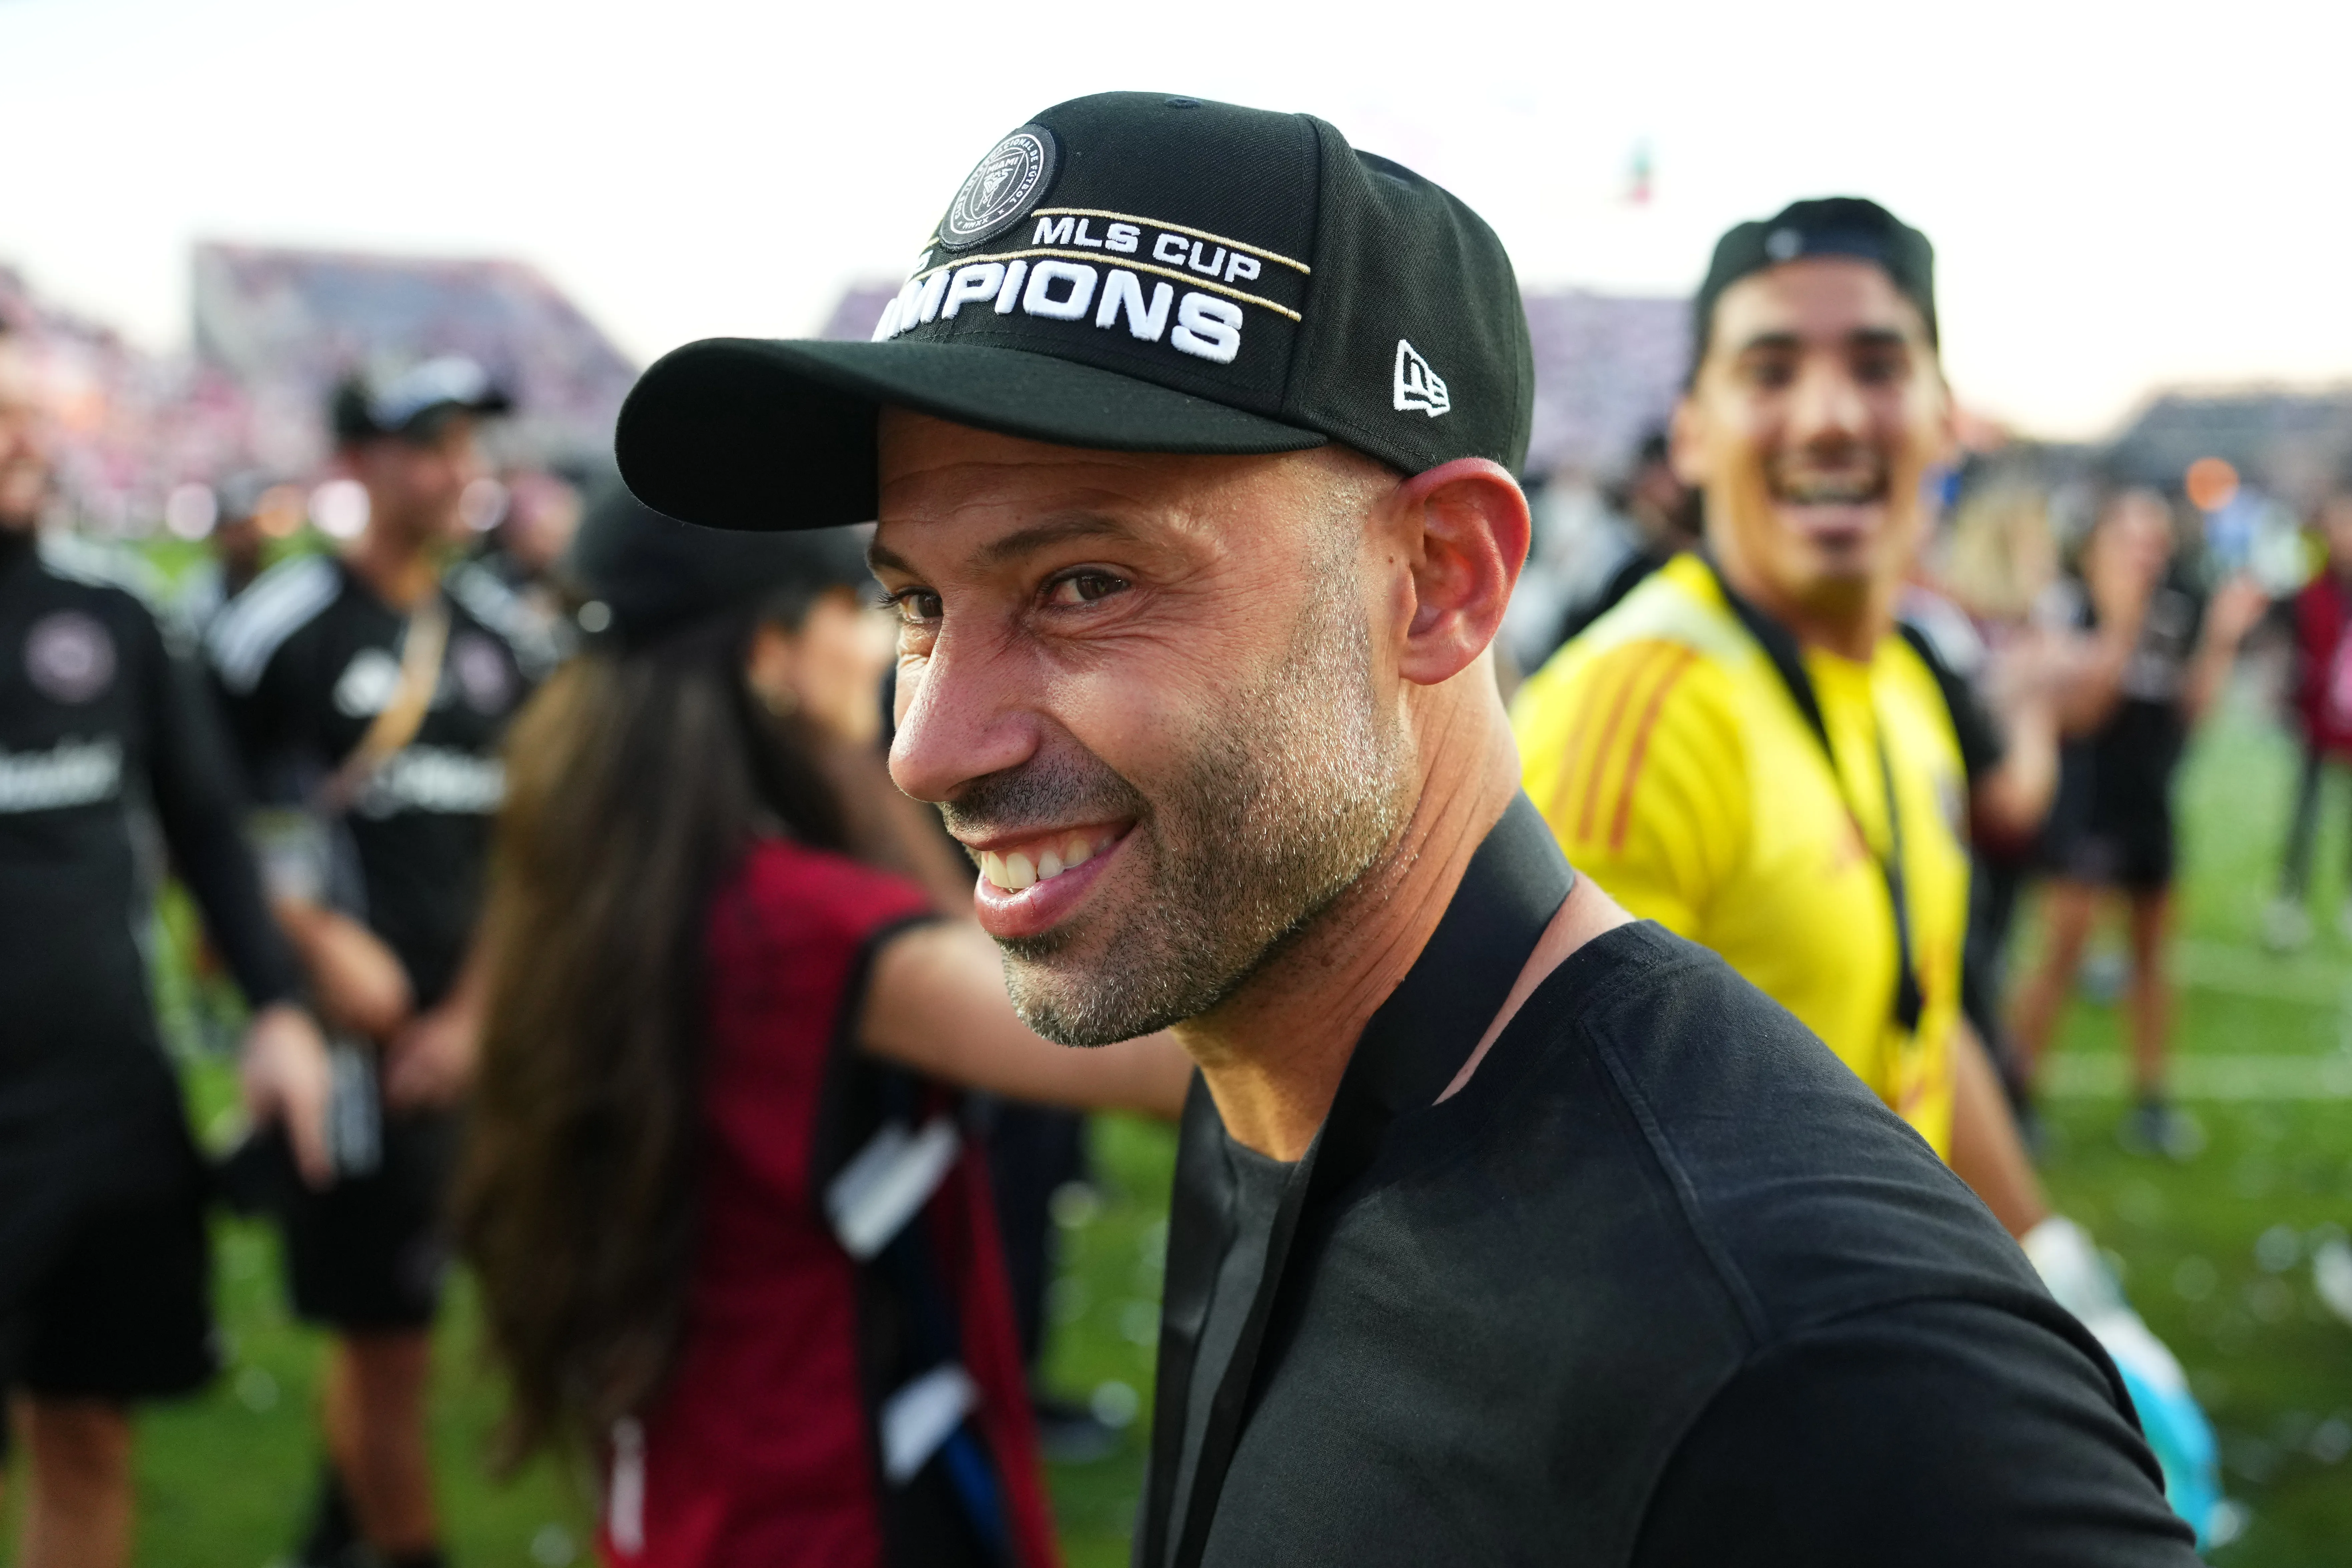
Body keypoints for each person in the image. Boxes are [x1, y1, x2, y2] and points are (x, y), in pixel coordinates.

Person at [613, 94, 2198, 1565]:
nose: (926, 746)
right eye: (915, 602)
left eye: (1083, 583)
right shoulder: (1262, 1081)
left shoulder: (1821, 1355)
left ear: (1441, 579)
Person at [1510, 197, 2221, 1538]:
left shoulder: (1893, 680)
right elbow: (1539, 1203)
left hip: (1877, 1382)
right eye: (1771, 368)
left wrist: (2063, 1276)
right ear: (1693, 430)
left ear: (1945, 417)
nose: (1832, 414)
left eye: (1879, 365)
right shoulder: (1636, 711)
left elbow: (1920, 1013)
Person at [455, 479, 1190, 1566]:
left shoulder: (596, 884)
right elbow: (1165, 1062)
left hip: (685, 1482)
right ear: (772, 652)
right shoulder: (799, 931)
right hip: (833, 1501)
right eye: (868, 605)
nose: (887, 647)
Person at [0, 322, 331, 1564]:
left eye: (26, 414)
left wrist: (278, 1008)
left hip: (104, 1101)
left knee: (89, 1435)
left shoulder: (111, 614)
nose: (19, 440)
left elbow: (207, 830)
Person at [206, 356, 533, 1568]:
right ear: (357, 463)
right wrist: (313, 941)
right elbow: (209, 826)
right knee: (384, 1343)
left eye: (469, 444)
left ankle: (335, 1532)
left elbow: (530, 848)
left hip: (472, 1044)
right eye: (429, 445)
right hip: (348, 1055)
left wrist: (476, 1017)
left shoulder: (502, 635)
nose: (459, 471)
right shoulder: (276, 629)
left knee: (434, 1322)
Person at [2009, 487, 2266, 1158]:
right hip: (2086, 800)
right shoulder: (2072, 608)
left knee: (2153, 954)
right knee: (2062, 952)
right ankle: (2018, 1095)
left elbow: (2193, 714)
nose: (2147, 555)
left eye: (2156, 542)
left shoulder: (2175, 612)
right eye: (2131, 540)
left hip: (2149, 800)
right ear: (2098, 545)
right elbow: (2082, 715)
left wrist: (2221, 639)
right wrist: (2122, 621)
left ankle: (2151, 1101)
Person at [2265, 487, 2352, 949]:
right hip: (2317, 721)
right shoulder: (2310, 591)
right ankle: (2290, 899)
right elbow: (2287, 648)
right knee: (2305, 814)